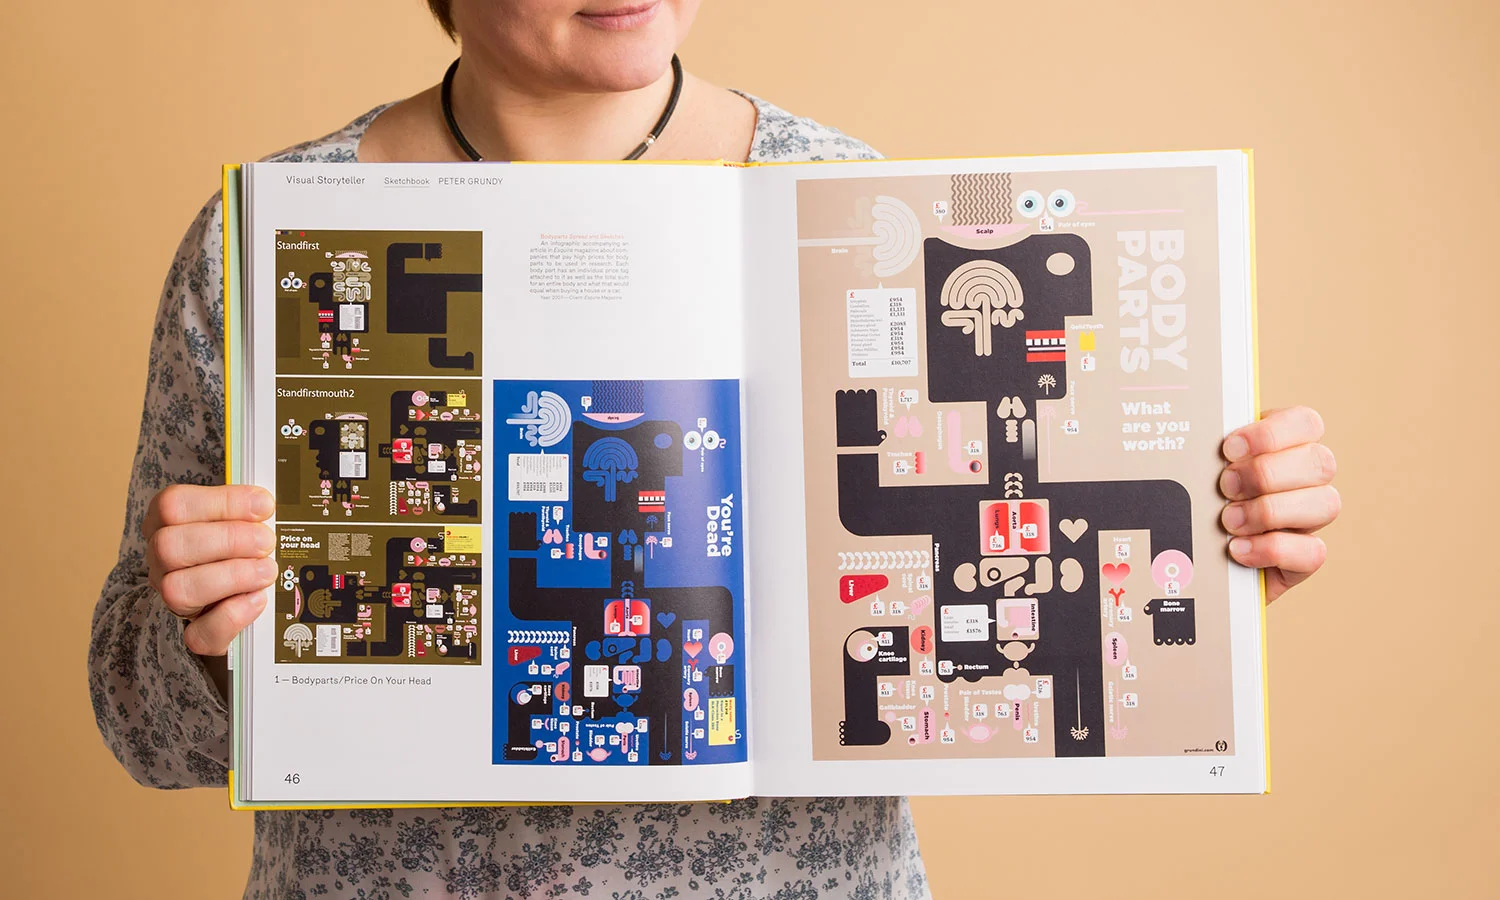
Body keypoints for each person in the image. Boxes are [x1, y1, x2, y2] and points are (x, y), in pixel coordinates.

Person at [88, 2, 1341, 897]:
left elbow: (985, 606)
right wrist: (209, 635)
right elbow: (137, 724)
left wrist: (1206, 569)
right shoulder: (273, 240)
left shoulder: (854, 211)